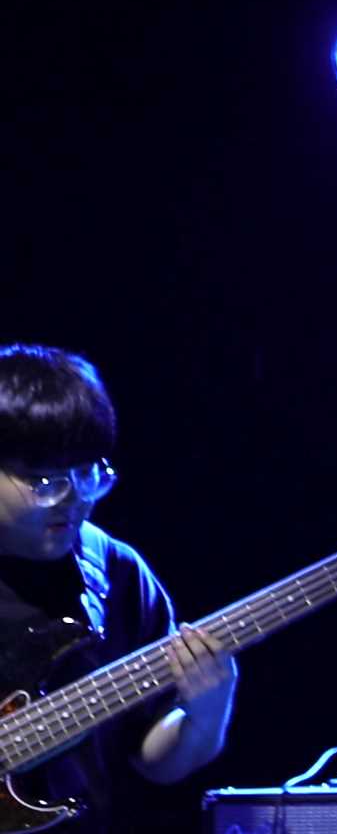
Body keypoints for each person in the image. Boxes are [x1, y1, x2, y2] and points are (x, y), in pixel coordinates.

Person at [0, 344, 236, 830]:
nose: (73, 500)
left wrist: (207, 709)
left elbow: (153, 761)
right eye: (44, 480)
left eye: (87, 473)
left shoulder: (114, 569)